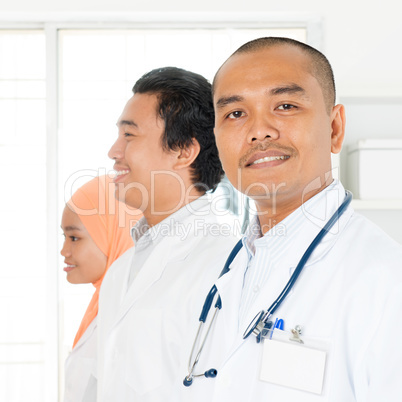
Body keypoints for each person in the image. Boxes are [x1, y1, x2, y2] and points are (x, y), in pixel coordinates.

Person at [179, 37, 402, 401]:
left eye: (285, 105)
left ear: (334, 128)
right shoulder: (229, 270)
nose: (259, 130)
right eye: (235, 113)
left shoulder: (388, 282)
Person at [96, 67, 238, 401]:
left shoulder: (229, 263)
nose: (114, 152)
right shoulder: (122, 269)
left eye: (129, 135)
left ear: (184, 151)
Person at [60, 174, 140, 401]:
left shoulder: (132, 318)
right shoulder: (102, 307)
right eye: (64, 236)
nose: (64, 250)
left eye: (74, 238)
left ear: (112, 234)